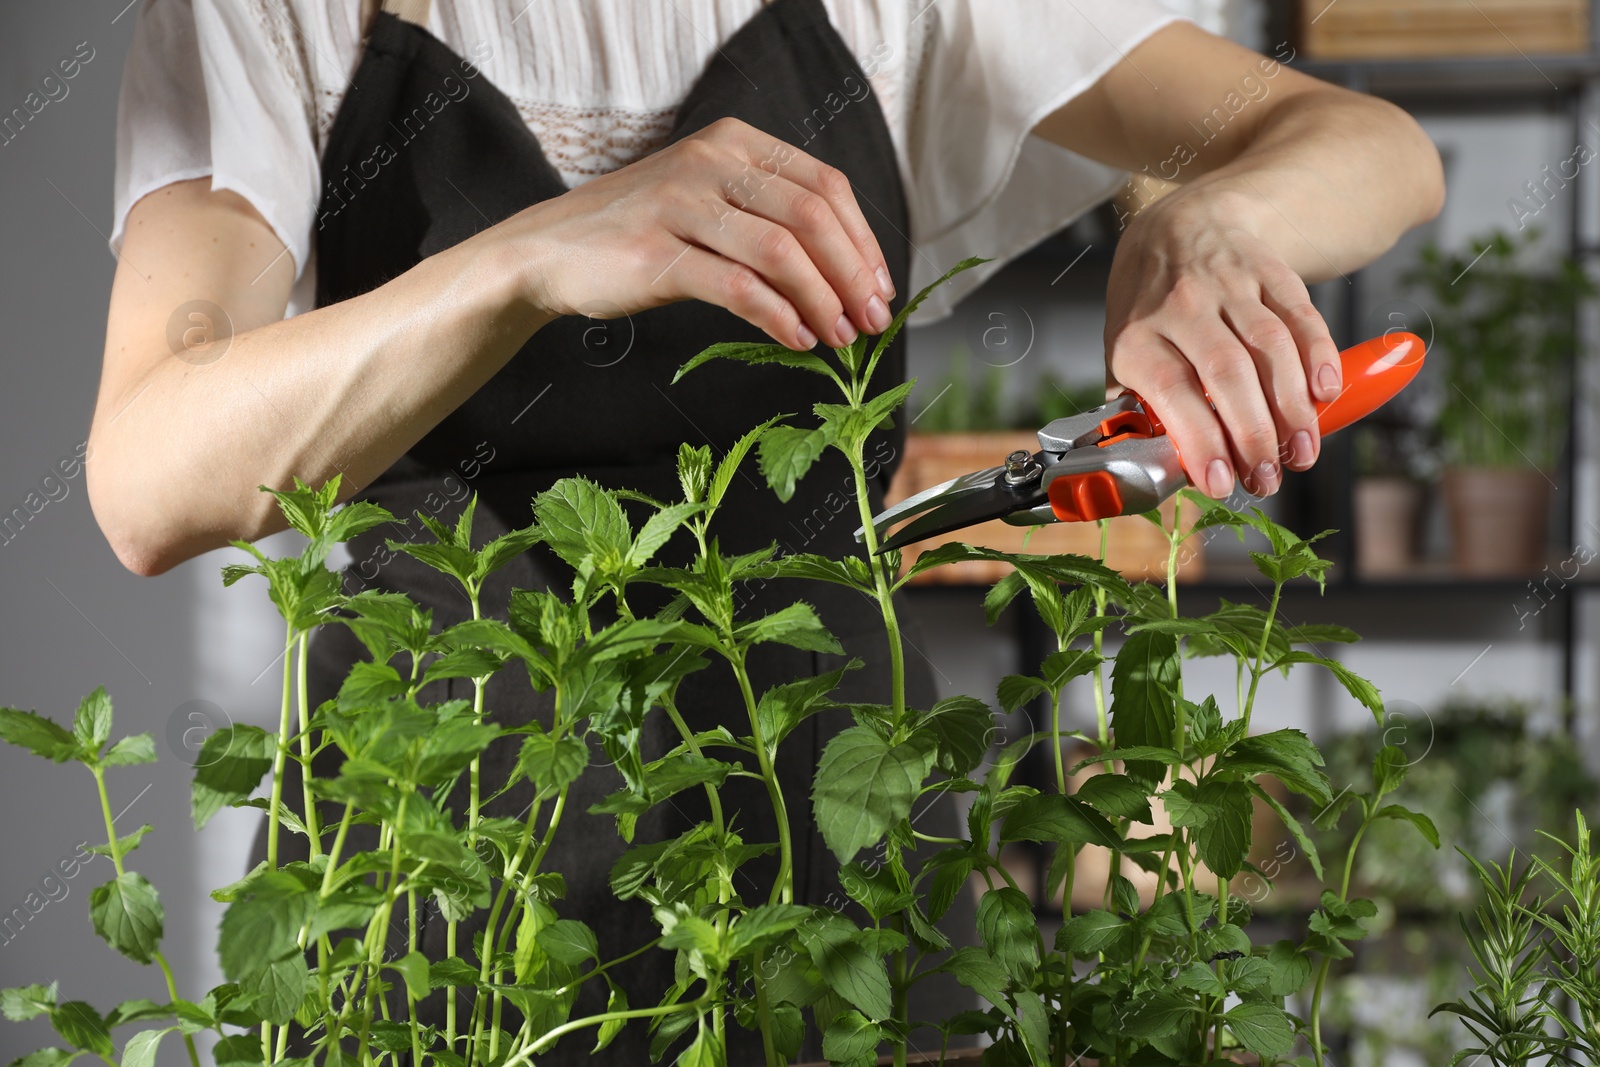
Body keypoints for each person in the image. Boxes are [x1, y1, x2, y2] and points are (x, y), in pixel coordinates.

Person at [87, 0, 1443, 1062]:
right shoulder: (278, 11)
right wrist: (524, 261)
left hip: (840, 871)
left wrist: (1210, 214)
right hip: (431, 884)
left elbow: (1376, 146)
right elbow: (150, 478)